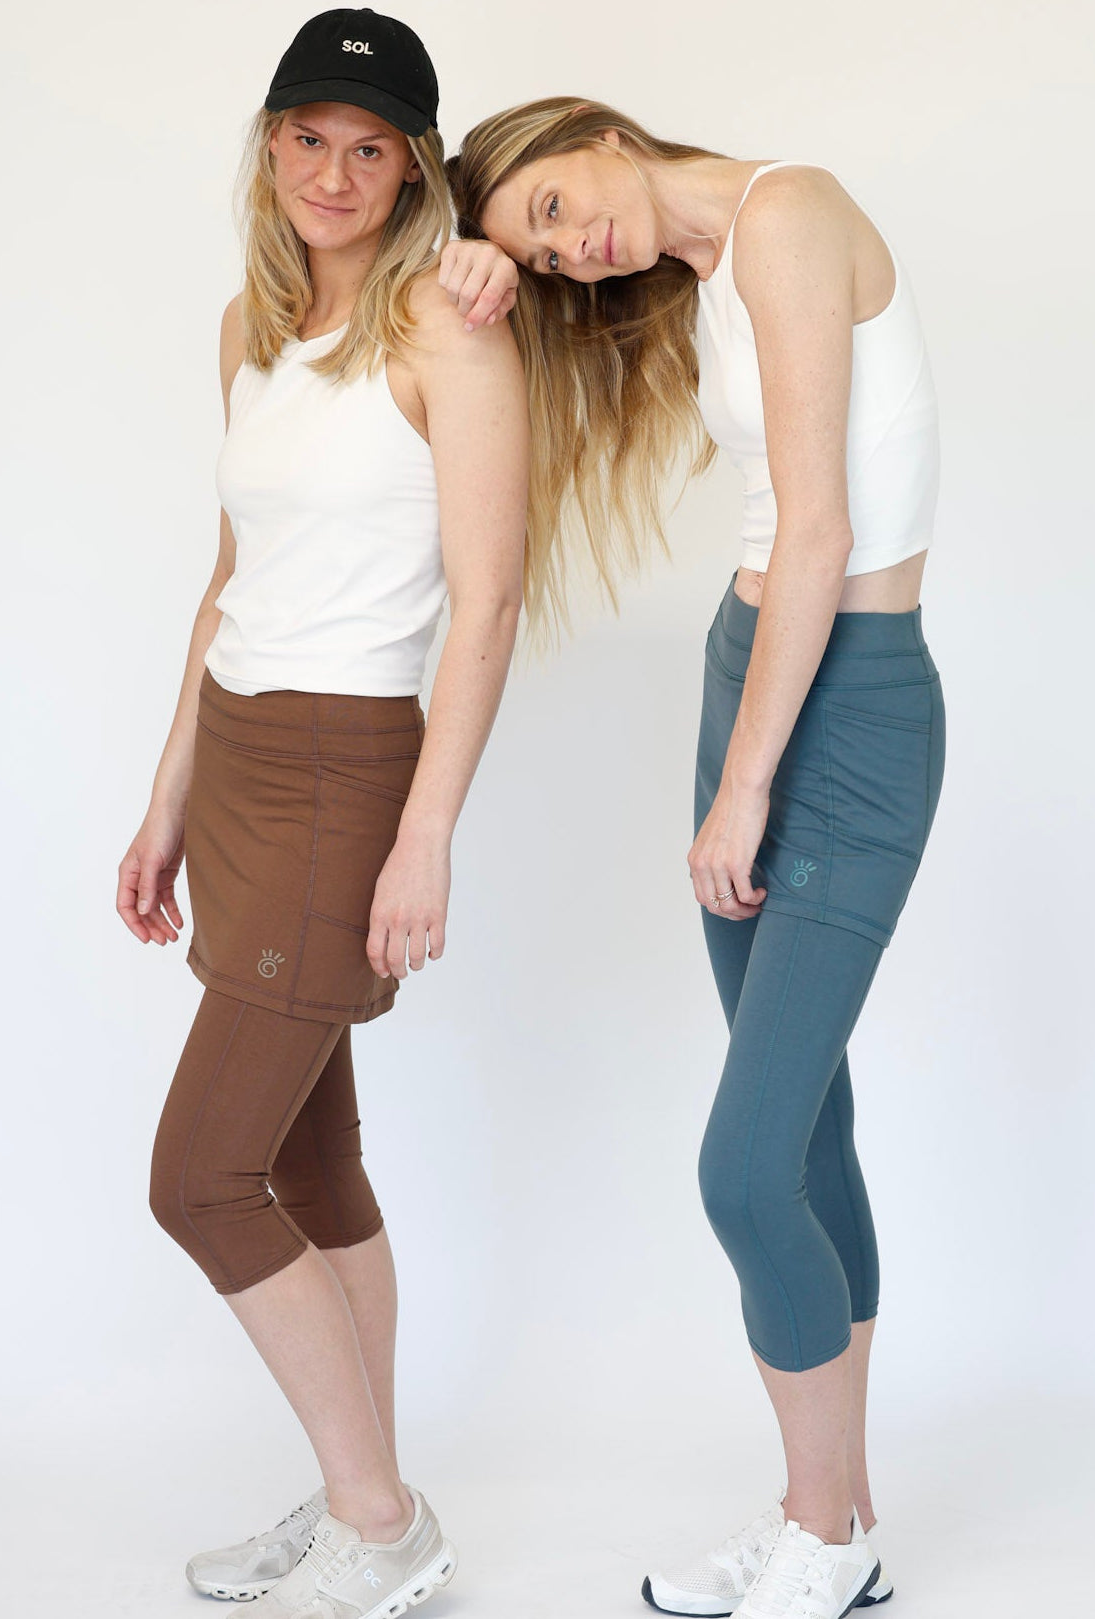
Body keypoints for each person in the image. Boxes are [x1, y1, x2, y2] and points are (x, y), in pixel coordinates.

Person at [440, 98, 944, 1619]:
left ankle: (820, 1534)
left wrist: (743, 791)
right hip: (757, 669)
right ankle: (832, 1520)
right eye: (541, 254)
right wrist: (469, 266)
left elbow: (820, 531)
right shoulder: (710, 262)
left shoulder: (786, 213)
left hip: (846, 707)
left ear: (591, 129)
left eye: (550, 206)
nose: (573, 250)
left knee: (743, 1169)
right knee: (804, 1136)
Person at [115, 13, 527, 1617]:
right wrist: (164, 797)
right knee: (308, 1159)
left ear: (414, 171)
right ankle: (372, 1493)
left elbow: (488, 602)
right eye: (308, 137)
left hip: (345, 768)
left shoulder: (450, 328)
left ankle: (381, 1522)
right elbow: (232, 576)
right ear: (269, 144)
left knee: (199, 1180)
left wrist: (426, 831)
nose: (333, 174)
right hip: (234, 754)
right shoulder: (251, 323)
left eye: (371, 148)